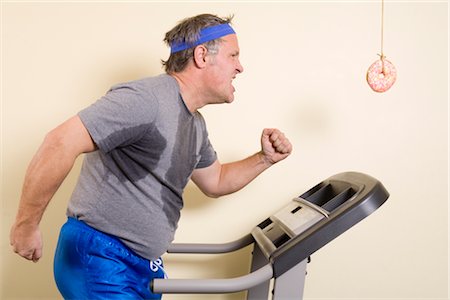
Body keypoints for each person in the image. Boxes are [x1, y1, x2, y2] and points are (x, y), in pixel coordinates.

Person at [10, 13, 292, 299]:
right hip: (101, 257)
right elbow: (59, 142)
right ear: (202, 55)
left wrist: (264, 158)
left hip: (142, 265)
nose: (240, 67)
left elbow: (216, 181)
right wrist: (26, 225)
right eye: (233, 55)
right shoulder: (147, 99)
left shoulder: (195, 124)